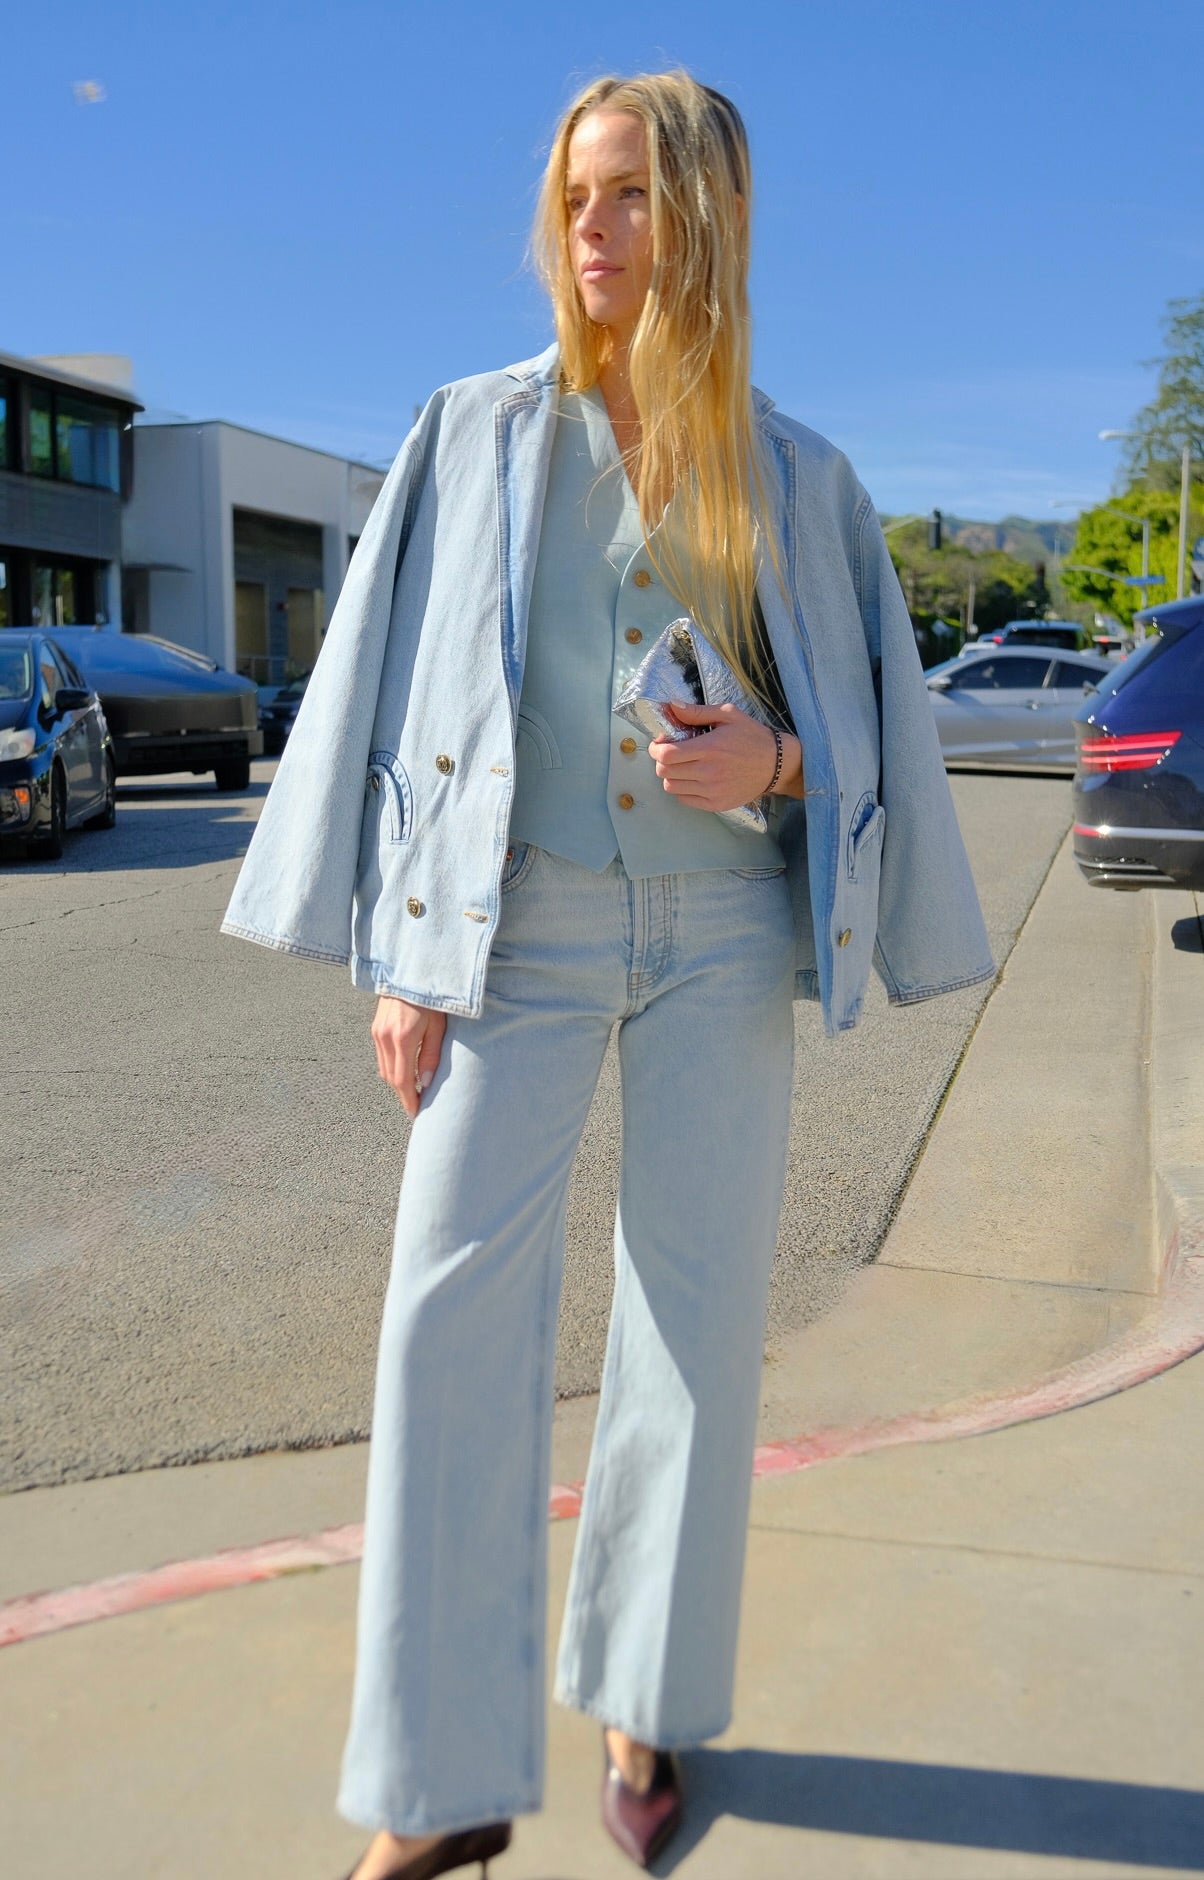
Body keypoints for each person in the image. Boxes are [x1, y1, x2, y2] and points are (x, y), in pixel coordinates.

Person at [220, 70, 993, 1880]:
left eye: (633, 196)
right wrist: (402, 963)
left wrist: (776, 767)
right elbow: (416, 695)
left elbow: (882, 729)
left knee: (696, 1333)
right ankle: (441, 1785)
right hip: (521, 925)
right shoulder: (475, 435)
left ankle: (652, 1697)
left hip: (725, 935)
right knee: (443, 1324)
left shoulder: (799, 472)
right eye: (577, 194)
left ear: (709, 215)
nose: (592, 230)